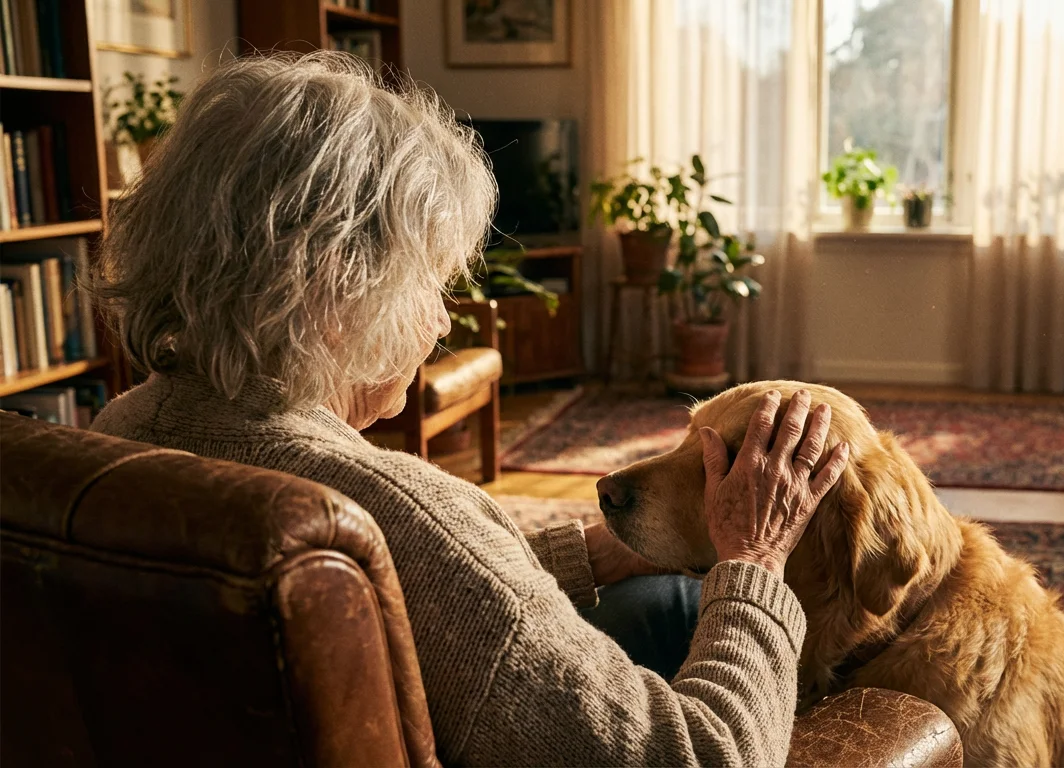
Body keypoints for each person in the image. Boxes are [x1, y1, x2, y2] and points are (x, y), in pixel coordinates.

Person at [89, 51, 849, 767]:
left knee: (661, 593)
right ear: (335, 288)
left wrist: (591, 553)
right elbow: (706, 756)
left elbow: (441, 602)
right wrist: (753, 561)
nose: (444, 321)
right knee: (706, 607)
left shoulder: (119, 434)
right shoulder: (404, 515)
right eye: (432, 282)